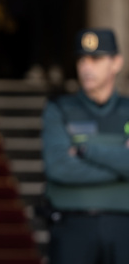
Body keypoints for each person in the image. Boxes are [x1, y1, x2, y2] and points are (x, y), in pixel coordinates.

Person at [42, 28, 129, 264]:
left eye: (96, 59)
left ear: (116, 63)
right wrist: (121, 162)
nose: (86, 67)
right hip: (72, 230)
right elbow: (59, 167)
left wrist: (85, 151)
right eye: (82, 59)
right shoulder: (59, 109)